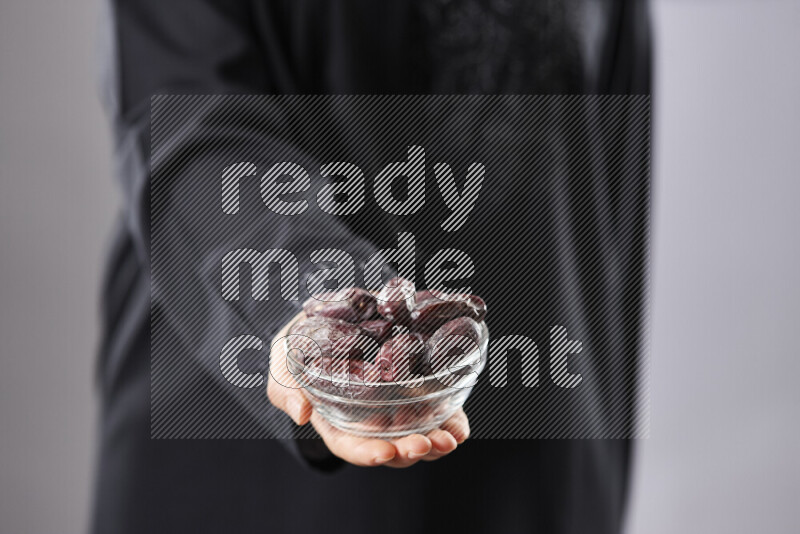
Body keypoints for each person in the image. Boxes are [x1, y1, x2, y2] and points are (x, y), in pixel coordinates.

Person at [92, 1, 651, 533]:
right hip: (249, 464)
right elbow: (185, 116)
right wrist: (326, 319)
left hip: (536, 458)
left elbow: (601, 200)